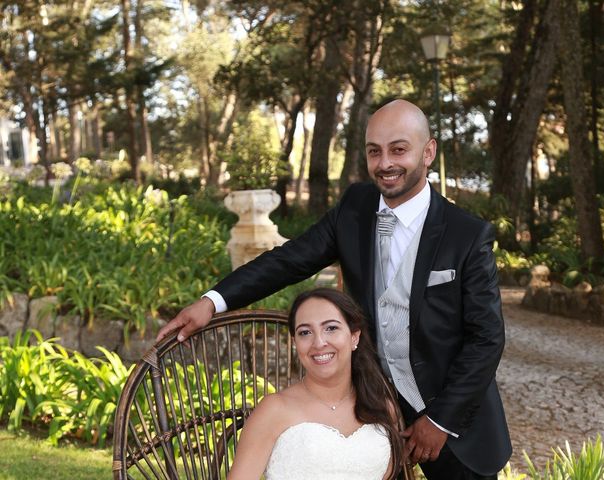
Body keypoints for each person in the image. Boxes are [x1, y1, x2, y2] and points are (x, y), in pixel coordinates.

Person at [158, 98, 512, 480]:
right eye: (374, 152)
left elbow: (487, 338)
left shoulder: (467, 235)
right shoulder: (355, 208)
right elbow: (288, 260)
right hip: (373, 414)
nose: (385, 163)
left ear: (428, 152)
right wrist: (213, 302)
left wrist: (440, 421)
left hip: (456, 424)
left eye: (398, 149)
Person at [227, 287, 403, 480]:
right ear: (295, 342)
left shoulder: (381, 407)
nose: (319, 342)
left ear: (354, 336)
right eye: (305, 332)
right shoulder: (274, 409)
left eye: (331, 328)